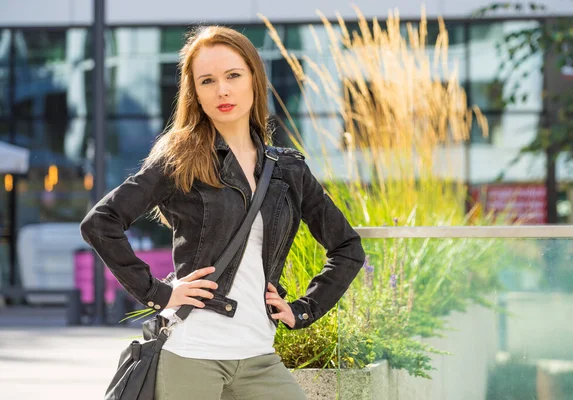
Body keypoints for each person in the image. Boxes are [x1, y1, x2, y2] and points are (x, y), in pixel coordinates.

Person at [80, 25, 365, 400]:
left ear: (254, 79)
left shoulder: (288, 170)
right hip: (191, 354)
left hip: (259, 355)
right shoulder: (179, 159)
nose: (222, 90)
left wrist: (304, 309)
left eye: (233, 75)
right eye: (208, 81)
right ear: (194, 92)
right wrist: (159, 294)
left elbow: (347, 247)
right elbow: (101, 222)